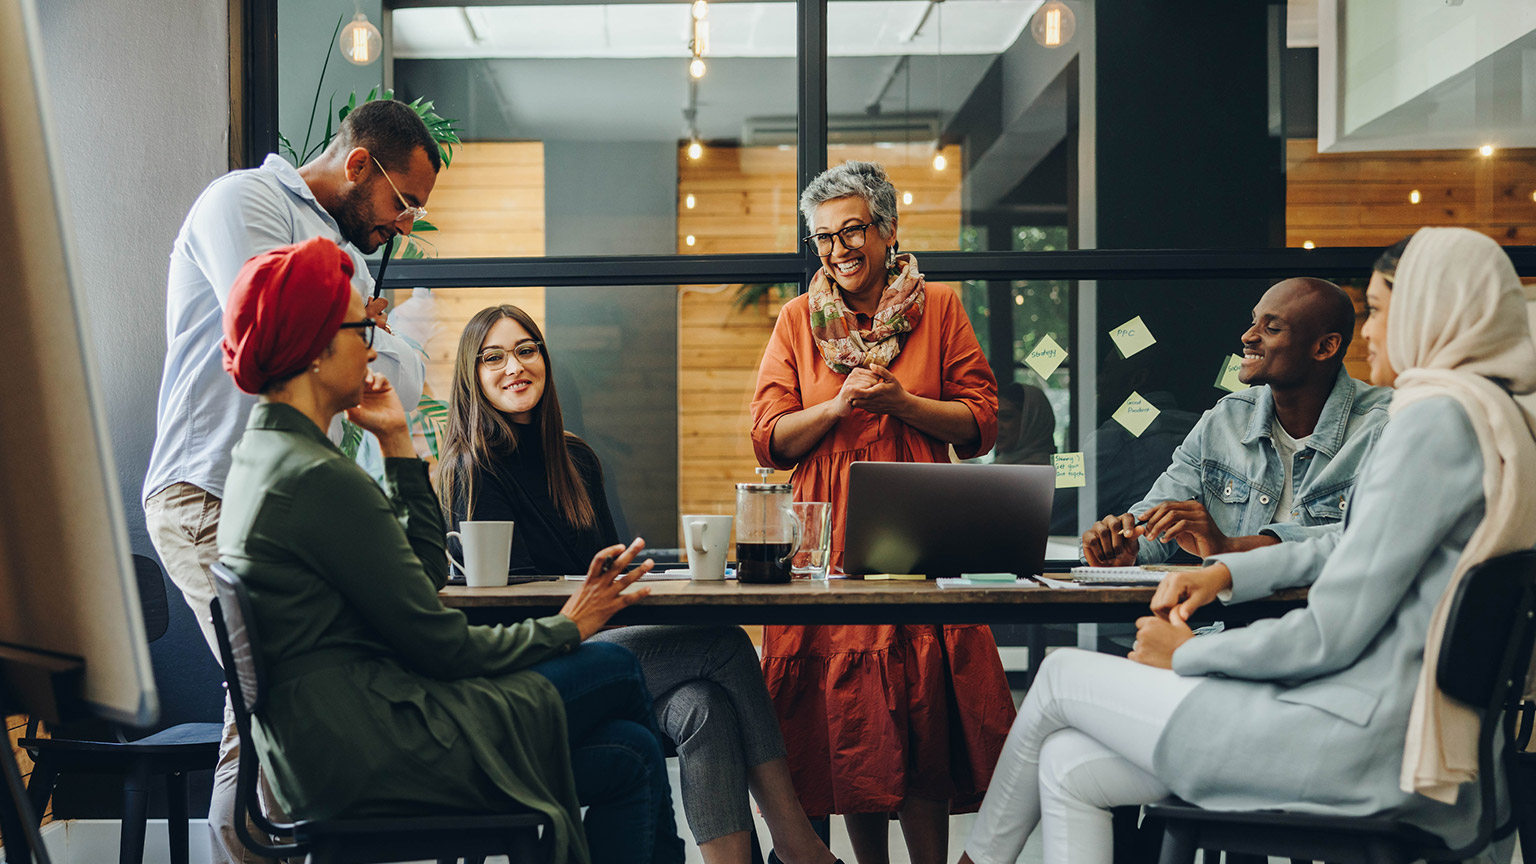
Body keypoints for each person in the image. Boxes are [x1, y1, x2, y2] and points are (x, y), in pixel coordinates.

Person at [959, 227, 1536, 864]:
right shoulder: (1499, 418)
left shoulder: (1429, 421)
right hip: (1396, 731)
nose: (1372, 333)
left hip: (1356, 740)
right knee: (1067, 762)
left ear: (1436, 306)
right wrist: (1229, 573)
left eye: (1377, 309)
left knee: (1063, 675)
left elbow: (1330, 632)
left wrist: (1189, 654)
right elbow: (1353, 545)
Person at [215, 238, 686, 864]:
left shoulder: (267, 459)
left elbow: (426, 572)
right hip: (380, 745)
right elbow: (441, 643)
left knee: (629, 750)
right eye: (363, 326)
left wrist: (396, 443)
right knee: (618, 669)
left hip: (329, 748)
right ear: (318, 348)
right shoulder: (314, 478)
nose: (375, 342)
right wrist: (568, 626)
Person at [438, 304, 840, 864]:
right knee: (725, 643)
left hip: (596, 643)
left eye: (526, 350)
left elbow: (608, 575)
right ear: (472, 376)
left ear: (545, 361)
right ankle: (800, 845)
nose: (514, 366)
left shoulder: (575, 457)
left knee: (704, 707)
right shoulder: (470, 465)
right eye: (494, 357)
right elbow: (512, 604)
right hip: (534, 661)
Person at [141, 98, 435, 864]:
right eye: (404, 203)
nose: (406, 225)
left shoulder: (351, 256)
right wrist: (367, 324)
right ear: (360, 165)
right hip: (207, 491)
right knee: (271, 692)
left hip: (283, 507)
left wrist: (364, 328)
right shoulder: (245, 201)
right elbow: (273, 332)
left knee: (288, 696)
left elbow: (393, 383)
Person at [750, 160, 1014, 864]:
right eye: (824, 238)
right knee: (846, 715)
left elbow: (980, 423)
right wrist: (836, 407)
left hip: (920, 525)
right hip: (824, 537)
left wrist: (902, 403)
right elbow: (768, 438)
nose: (838, 251)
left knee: (920, 703)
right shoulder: (797, 320)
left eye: (853, 231)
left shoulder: (941, 308)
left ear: (888, 230)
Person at [1081, 277, 1392, 566]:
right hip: (1225, 624)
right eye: (1253, 321)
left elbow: (1374, 539)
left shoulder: (1385, 426)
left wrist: (1231, 547)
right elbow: (1158, 516)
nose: (1248, 336)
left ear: (1325, 347)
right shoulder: (1225, 419)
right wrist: (1125, 544)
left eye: (1272, 328)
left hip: (1326, 622)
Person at [992, 382, 1056, 465]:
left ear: (1032, 421)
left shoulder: (1052, 473)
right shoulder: (996, 467)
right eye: (993, 418)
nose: (995, 426)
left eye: (1006, 417)